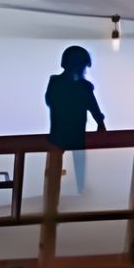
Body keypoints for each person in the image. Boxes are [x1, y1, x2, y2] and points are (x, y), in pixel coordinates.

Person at [46, 45, 106, 196]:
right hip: (68, 135)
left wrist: (100, 122)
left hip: (61, 135)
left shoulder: (60, 83)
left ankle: (67, 192)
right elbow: (93, 108)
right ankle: (76, 191)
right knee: (72, 164)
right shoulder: (79, 86)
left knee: (65, 165)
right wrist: (100, 124)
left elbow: (93, 107)